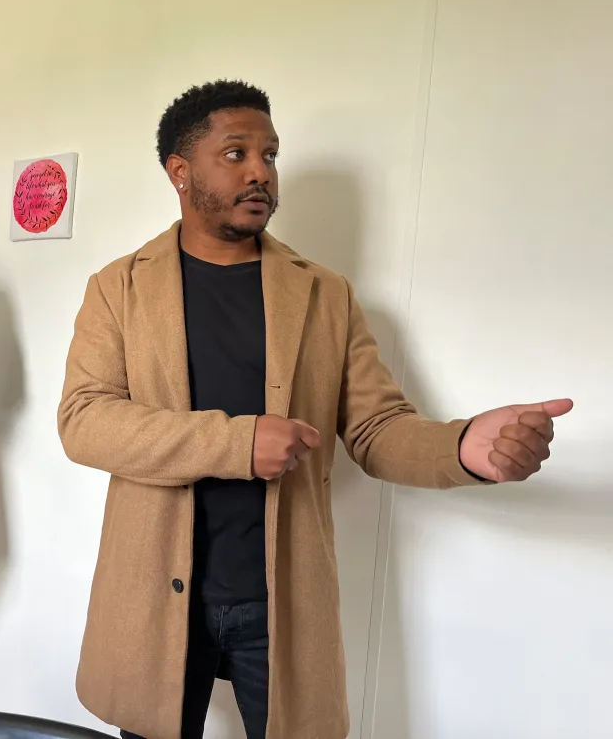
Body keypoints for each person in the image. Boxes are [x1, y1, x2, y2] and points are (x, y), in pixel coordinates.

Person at [56, 80, 572, 739]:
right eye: (237, 153)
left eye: (270, 155)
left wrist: (463, 446)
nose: (260, 172)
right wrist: (238, 444)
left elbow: (377, 428)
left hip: (281, 601)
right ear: (180, 171)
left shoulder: (326, 293)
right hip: (152, 594)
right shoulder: (118, 287)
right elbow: (85, 420)